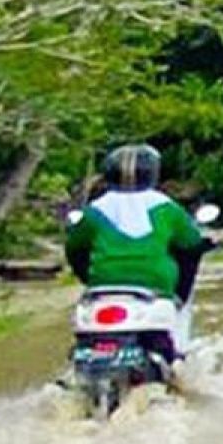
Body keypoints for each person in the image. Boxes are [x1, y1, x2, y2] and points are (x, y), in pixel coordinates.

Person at [65, 144, 208, 355]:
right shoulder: (167, 207)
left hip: (102, 286)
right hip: (156, 286)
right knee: (164, 347)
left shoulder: (94, 210)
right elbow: (191, 242)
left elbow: (74, 248)